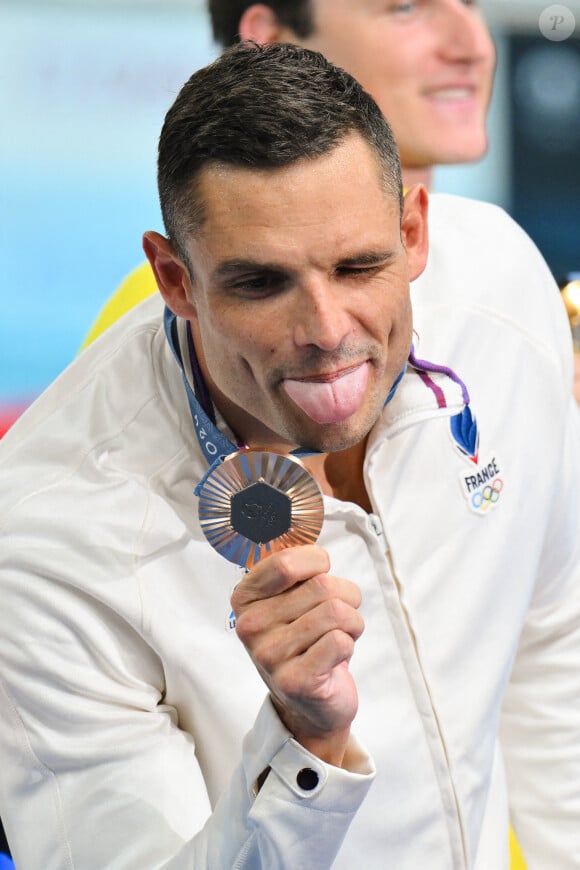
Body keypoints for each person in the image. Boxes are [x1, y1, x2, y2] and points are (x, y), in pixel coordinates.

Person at [0, 42, 578, 869]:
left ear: (414, 231)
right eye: (261, 284)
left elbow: (553, 634)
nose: (328, 333)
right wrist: (307, 747)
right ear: (174, 278)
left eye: (360, 266)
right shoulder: (50, 544)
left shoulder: (501, 296)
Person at [81, 0, 496, 345]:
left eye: (470, 3)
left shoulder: (496, 273)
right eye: (405, 8)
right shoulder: (163, 309)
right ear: (271, 40)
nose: (472, 46)